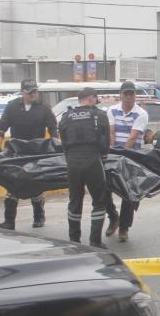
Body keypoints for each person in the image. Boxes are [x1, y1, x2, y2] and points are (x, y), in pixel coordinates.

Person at [0, 79, 57, 229]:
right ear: (22, 92)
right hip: (17, 152)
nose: (34, 94)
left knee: (36, 185)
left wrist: (55, 147)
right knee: (13, 185)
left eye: (35, 91)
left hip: (37, 153)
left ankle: (38, 216)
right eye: (30, 92)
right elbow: (1, 128)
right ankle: (9, 220)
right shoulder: (12, 107)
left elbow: (53, 130)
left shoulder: (44, 108)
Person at [58, 87, 111, 248]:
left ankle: (74, 240)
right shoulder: (100, 115)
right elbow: (105, 141)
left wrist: (70, 159)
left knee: (74, 201)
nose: (96, 102)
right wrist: (103, 158)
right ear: (90, 98)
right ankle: (95, 241)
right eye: (95, 98)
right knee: (99, 201)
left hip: (73, 161)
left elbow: (64, 141)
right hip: (92, 159)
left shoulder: (66, 117)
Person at [104, 80, 149, 242]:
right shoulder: (112, 110)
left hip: (132, 158)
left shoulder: (141, 114)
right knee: (104, 189)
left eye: (132, 93)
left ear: (135, 95)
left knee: (128, 194)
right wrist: (112, 154)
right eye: (126, 93)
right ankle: (113, 217)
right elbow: (111, 133)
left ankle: (124, 227)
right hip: (114, 155)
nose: (129, 97)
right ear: (120, 95)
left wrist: (121, 155)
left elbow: (133, 137)